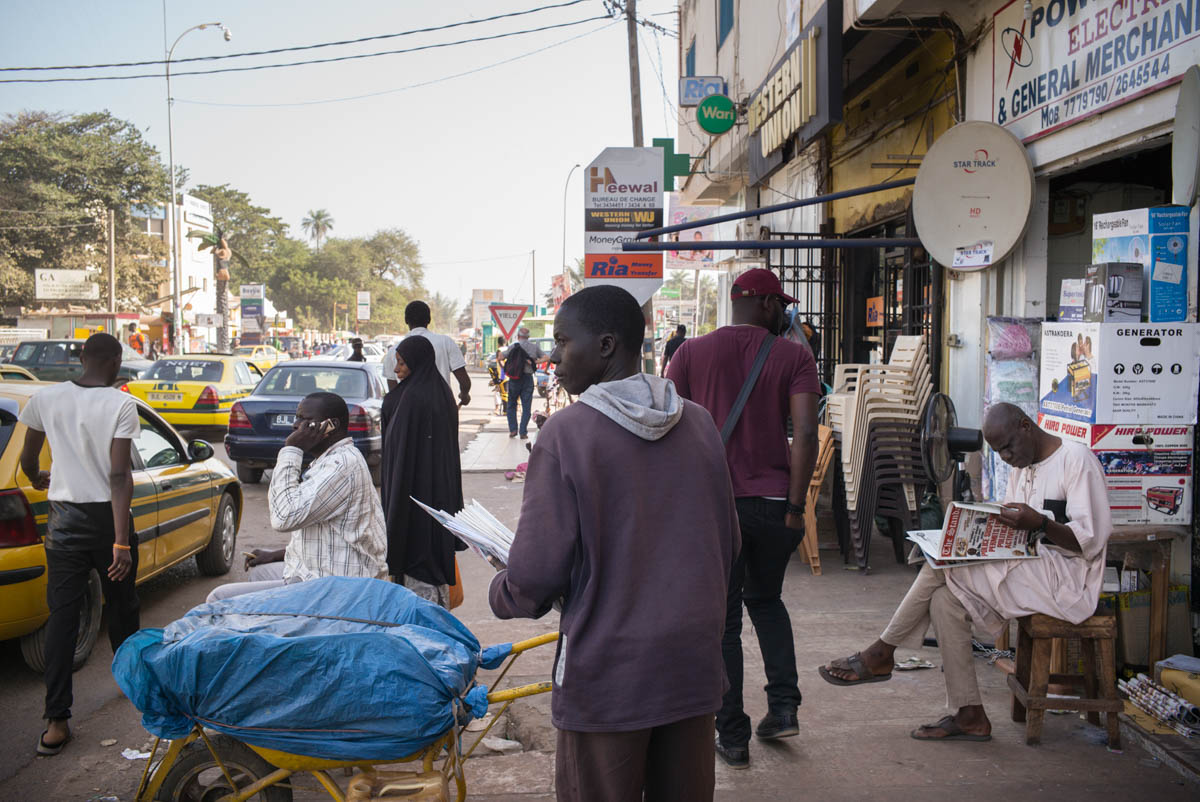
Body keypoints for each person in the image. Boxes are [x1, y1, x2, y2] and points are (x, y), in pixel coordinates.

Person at [490, 285, 740, 801]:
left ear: (606, 345)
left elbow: (535, 575)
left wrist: (504, 589)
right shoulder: (699, 423)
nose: (553, 357)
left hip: (609, 675)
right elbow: (728, 542)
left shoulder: (566, 434)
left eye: (564, 342)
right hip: (691, 664)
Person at [819, 403, 1113, 742]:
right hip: (1030, 567)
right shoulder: (1022, 465)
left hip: (1069, 581)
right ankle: (970, 713)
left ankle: (881, 651)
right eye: (998, 452)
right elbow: (1017, 532)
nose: (1005, 457)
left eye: (1008, 447)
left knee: (943, 565)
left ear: (1026, 426)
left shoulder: (1076, 460)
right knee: (944, 600)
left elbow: (1090, 542)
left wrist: (1042, 523)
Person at [666, 267, 820, 769]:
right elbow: (806, 434)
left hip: (715, 507)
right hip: (775, 505)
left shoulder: (689, 353)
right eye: (783, 307)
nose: (785, 315)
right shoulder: (794, 356)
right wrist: (796, 507)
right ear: (768, 304)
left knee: (725, 621)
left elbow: (667, 424)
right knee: (768, 601)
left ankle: (732, 736)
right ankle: (784, 708)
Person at [18, 333, 141, 756]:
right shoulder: (120, 404)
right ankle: (131, 682)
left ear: (82, 357)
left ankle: (56, 722)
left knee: (63, 619)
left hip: (64, 524)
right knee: (122, 606)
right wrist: (121, 543)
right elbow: (119, 476)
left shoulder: (45, 399)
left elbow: (29, 459)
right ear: (116, 361)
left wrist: (36, 477)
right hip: (109, 521)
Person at [207, 392, 387, 602]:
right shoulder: (330, 460)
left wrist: (292, 449)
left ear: (331, 425)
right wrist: (276, 554)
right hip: (320, 573)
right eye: (297, 418)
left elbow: (283, 517)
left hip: (336, 589)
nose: (296, 425)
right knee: (259, 572)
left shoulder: (341, 466)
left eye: (305, 420)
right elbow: (324, 538)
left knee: (218, 598)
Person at [380, 336, 465, 608]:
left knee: (415, 564)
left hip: (412, 498)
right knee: (432, 562)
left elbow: (400, 458)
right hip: (438, 497)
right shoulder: (442, 393)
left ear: (417, 363)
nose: (396, 370)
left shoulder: (410, 399)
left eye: (402, 363)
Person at [382, 301, 471, 406]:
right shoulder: (446, 342)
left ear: (406, 320)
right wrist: (464, 395)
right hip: (441, 409)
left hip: (408, 412)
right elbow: (465, 382)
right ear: (429, 319)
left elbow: (393, 392)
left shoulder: (394, 351)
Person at [503, 327, 547, 440]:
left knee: (511, 405)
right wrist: (535, 361)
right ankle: (523, 432)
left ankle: (513, 430)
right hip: (528, 378)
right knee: (526, 406)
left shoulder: (513, 346)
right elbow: (546, 357)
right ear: (528, 337)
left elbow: (502, 356)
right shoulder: (534, 347)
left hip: (514, 378)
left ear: (518, 336)